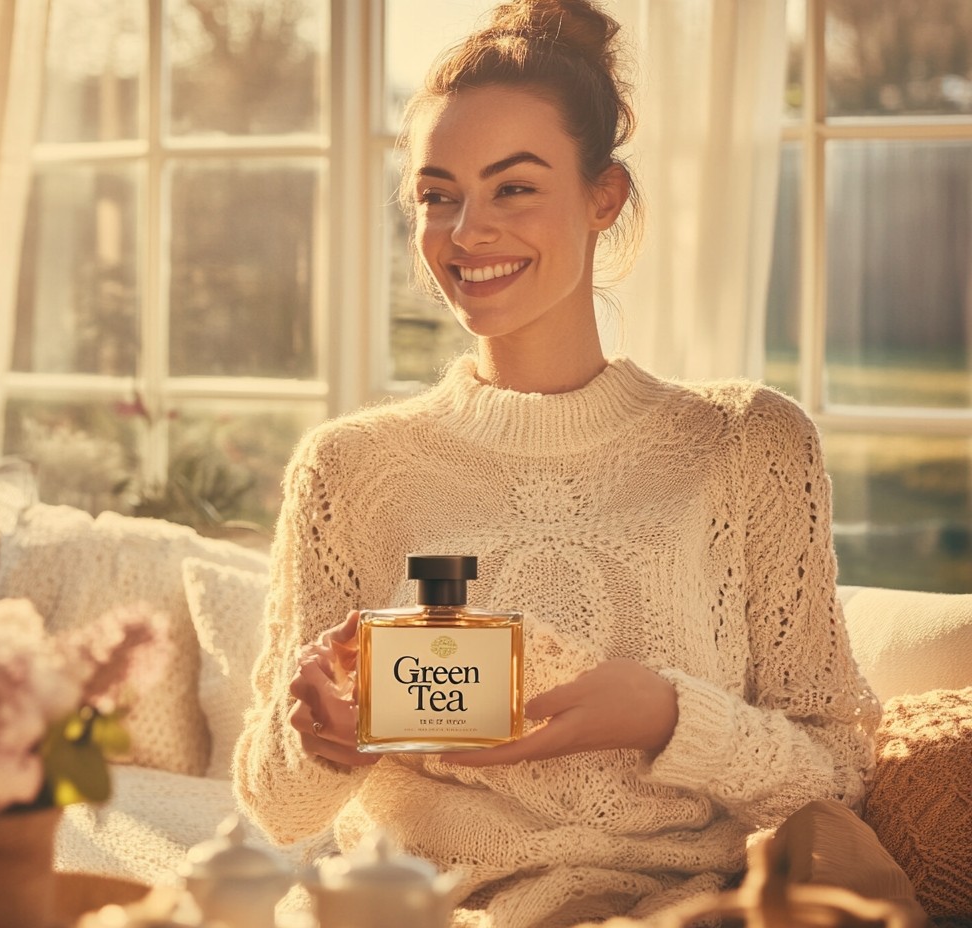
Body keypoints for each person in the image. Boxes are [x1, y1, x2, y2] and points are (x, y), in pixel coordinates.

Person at [233, 2, 922, 925]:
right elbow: (272, 803)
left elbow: (838, 769)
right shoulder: (351, 467)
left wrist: (668, 715)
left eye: (512, 188)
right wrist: (327, 744)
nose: (466, 232)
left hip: (690, 906)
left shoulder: (748, 443)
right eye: (438, 195)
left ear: (604, 196)